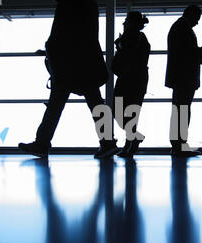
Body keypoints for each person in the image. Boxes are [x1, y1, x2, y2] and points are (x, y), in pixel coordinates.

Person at [18, 1, 118, 159]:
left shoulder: (69, 6)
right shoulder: (87, 6)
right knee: (94, 102)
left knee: (56, 105)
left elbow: (63, 35)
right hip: (84, 64)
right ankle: (108, 142)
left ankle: (42, 143)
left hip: (69, 65)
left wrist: (52, 53)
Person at [165, 5, 202, 157]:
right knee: (182, 110)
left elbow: (182, 53)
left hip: (181, 77)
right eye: (197, 19)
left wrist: (199, 55)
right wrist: (200, 51)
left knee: (180, 110)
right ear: (190, 15)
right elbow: (185, 53)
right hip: (184, 78)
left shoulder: (179, 27)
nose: (197, 22)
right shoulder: (182, 28)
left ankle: (178, 144)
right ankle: (179, 145)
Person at [112, 11, 150, 157]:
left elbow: (129, 57)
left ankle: (132, 142)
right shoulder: (139, 38)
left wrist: (120, 46)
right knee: (128, 112)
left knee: (120, 111)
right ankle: (131, 142)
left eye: (126, 20)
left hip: (130, 79)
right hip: (135, 79)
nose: (124, 23)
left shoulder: (132, 38)